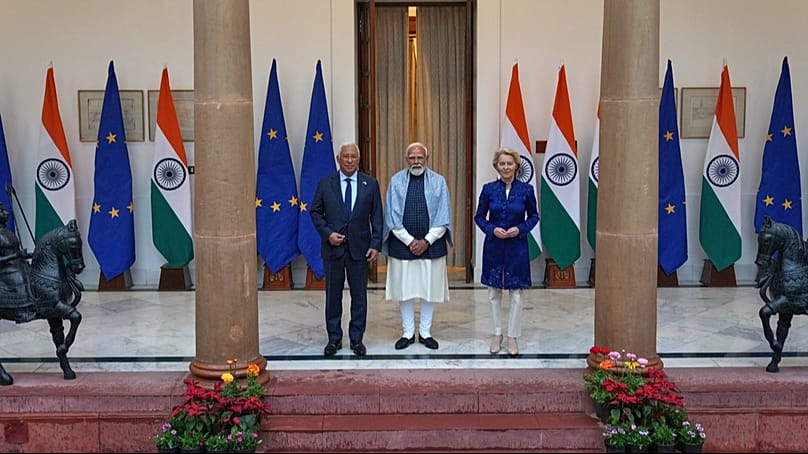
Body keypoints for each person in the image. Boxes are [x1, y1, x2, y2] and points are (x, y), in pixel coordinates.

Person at [309, 143, 383, 357]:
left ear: (358, 159)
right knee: (333, 297)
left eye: (353, 156)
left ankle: (357, 340)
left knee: (359, 297)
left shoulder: (370, 184)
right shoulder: (325, 184)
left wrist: (375, 244)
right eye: (346, 156)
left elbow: (377, 216)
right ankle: (334, 339)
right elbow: (315, 212)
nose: (350, 160)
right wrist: (328, 234)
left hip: (360, 251)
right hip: (333, 251)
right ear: (338, 158)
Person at [383, 141, 452, 350]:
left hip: (431, 245)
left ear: (427, 159)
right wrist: (410, 241)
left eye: (420, 157)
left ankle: (425, 332)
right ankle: (407, 332)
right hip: (403, 245)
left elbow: (443, 215)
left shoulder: (439, 182)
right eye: (412, 158)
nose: (416, 161)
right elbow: (391, 216)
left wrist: (426, 241)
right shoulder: (396, 181)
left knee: (429, 289)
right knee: (404, 290)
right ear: (407, 160)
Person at [474, 147, 539, 356]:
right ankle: (496, 334)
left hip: (517, 247)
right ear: (496, 166)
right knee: (493, 293)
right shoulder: (488, 189)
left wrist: (519, 229)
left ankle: (512, 337)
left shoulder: (526, 190)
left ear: (516, 166)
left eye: (509, 163)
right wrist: (492, 229)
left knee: (517, 295)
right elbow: (479, 217)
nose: (505, 167)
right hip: (494, 246)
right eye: (502, 163)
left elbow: (534, 216)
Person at [0, 202, 34, 323]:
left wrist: (28, 255)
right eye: (2, 212)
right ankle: (21, 310)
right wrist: (16, 256)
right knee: (19, 276)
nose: (6, 213)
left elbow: (15, 250)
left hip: (16, 264)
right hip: (5, 268)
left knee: (33, 273)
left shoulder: (7, 232)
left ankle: (35, 302)